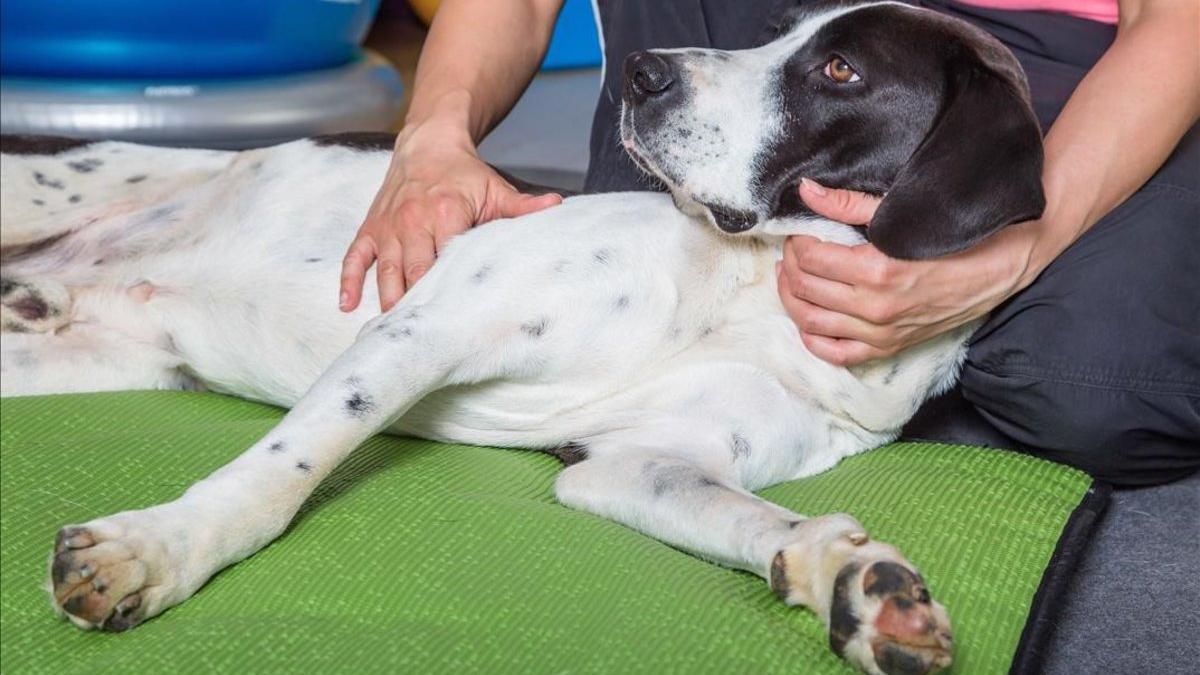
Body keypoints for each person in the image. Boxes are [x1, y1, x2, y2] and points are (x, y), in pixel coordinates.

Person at [339, 0, 1199, 487]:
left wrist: (1012, 254)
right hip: (787, 15)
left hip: (1061, 41)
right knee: (636, 270)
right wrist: (434, 139)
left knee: (1092, 384)